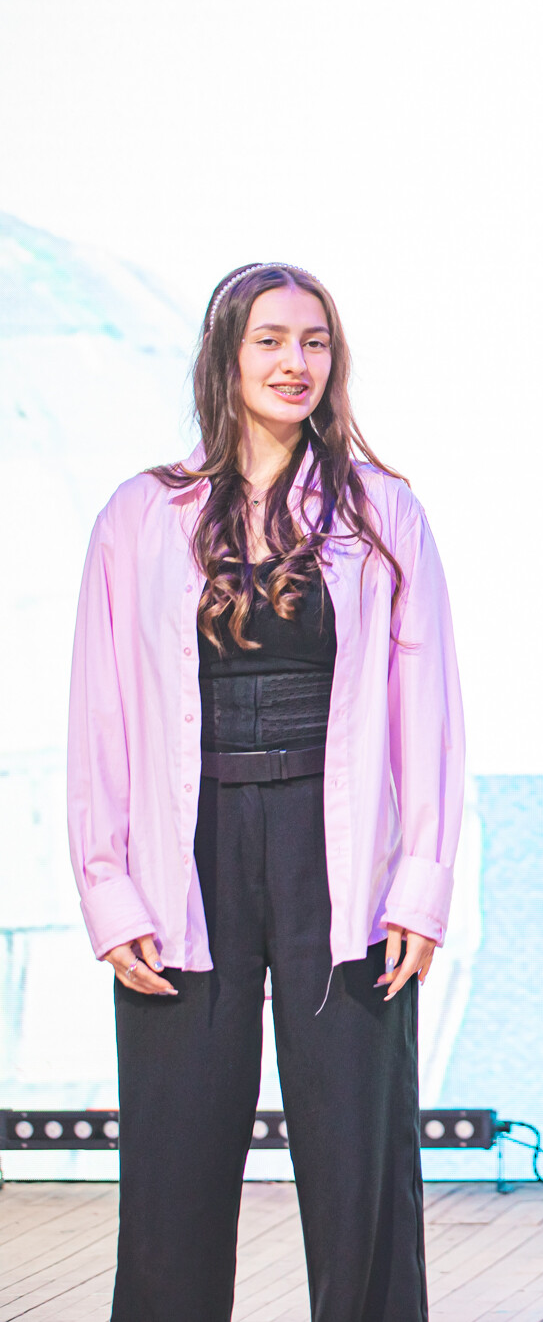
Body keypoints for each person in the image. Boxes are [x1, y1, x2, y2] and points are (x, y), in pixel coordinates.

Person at [68, 262, 464, 1321]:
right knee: (174, 1162)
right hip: (186, 854)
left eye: (315, 342)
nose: (296, 362)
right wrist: (108, 888)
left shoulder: (382, 512)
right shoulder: (141, 514)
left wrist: (420, 886)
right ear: (226, 356)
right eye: (272, 340)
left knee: (361, 1159)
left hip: (337, 856)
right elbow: (100, 715)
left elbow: (428, 711)